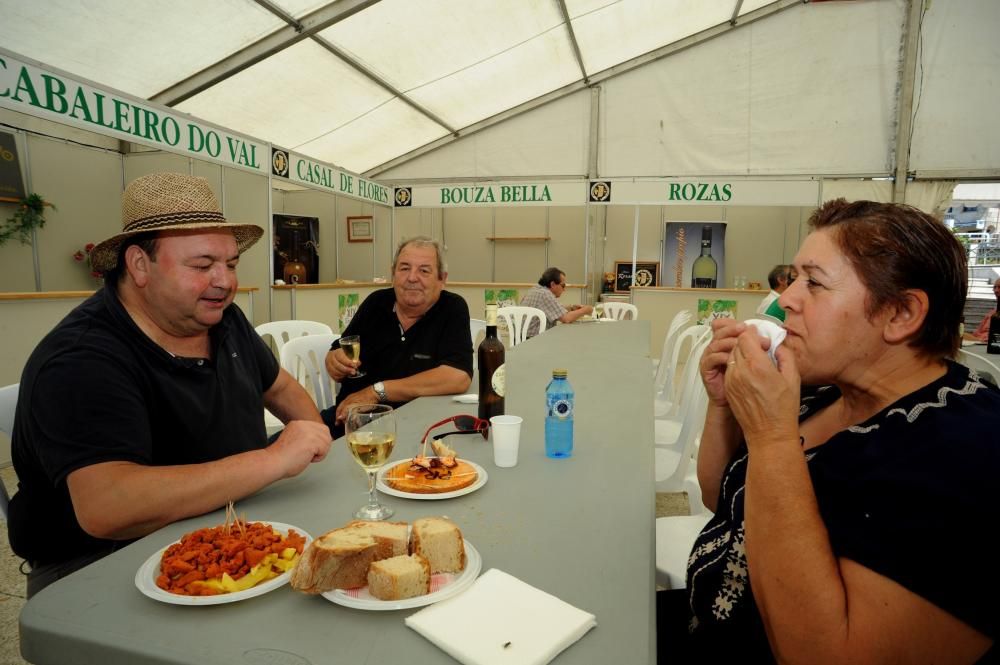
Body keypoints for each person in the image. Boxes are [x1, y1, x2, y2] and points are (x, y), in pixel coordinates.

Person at [659, 199, 999, 663]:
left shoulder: (971, 452)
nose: (785, 300)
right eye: (794, 278)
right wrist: (725, 406)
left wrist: (772, 437)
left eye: (813, 283)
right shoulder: (822, 391)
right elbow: (721, 497)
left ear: (900, 313)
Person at [7, 173, 332, 597]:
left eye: (231, 264)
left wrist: (316, 441)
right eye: (202, 266)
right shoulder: (82, 359)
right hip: (97, 563)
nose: (225, 281)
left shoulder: (222, 318)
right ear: (140, 265)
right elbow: (108, 507)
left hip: (230, 524)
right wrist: (274, 460)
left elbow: (281, 388)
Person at [321, 237, 472, 436]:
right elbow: (340, 351)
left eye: (424, 270)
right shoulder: (376, 303)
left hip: (412, 427)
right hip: (349, 421)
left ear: (441, 279)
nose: (412, 277)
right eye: (404, 268)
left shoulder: (452, 308)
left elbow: (457, 376)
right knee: (282, 445)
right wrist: (334, 361)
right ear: (393, 274)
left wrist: (376, 392)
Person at [519, 267, 594, 338]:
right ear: (552, 284)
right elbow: (566, 318)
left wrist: (571, 307)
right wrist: (585, 310)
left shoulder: (535, 289)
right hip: (534, 340)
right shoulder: (545, 294)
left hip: (523, 338)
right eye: (563, 285)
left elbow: (553, 310)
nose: (564, 289)